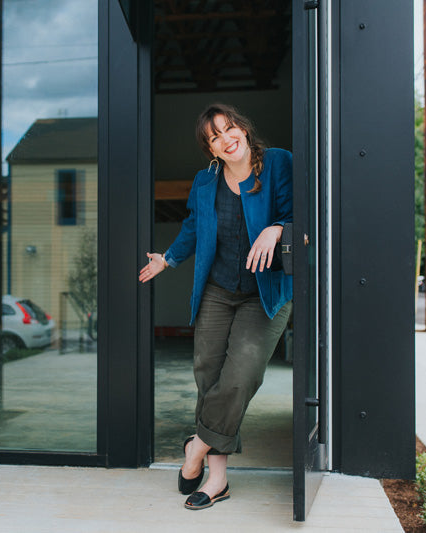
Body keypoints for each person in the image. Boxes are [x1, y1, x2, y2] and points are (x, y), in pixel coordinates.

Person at [139, 104, 293, 510]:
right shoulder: (206, 182)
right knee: (208, 375)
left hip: (267, 292)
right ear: (210, 148)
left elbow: (299, 211)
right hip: (218, 290)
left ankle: (195, 449)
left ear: (244, 127)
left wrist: (276, 230)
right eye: (215, 136)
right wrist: (167, 259)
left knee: (241, 375)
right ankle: (218, 478)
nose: (227, 139)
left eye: (230, 128)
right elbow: (193, 227)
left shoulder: (278, 164)